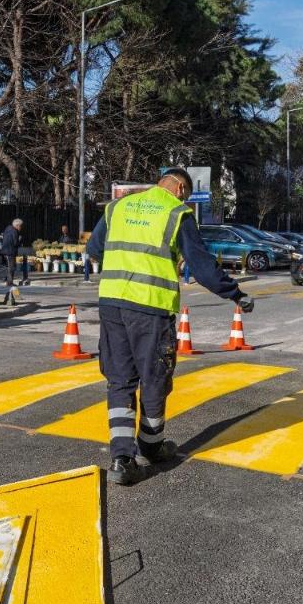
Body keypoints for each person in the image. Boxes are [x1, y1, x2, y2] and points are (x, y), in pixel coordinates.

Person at [87, 167, 254, 486]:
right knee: (154, 378)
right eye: (188, 195)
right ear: (179, 189)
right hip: (151, 307)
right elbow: (202, 266)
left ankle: (121, 460)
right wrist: (236, 294)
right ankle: (150, 447)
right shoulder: (177, 213)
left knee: (120, 380)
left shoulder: (118, 207)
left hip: (111, 303)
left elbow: (95, 250)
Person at [1, 218, 23, 286]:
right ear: (17, 225)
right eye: (20, 226)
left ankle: (7, 279)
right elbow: (15, 243)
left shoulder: (8, 228)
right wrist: (20, 240)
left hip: (5, 251)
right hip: (10, 252)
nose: (21, 228)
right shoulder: (15, 231)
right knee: (12, 267)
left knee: (9, 266)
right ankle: (9, 282)